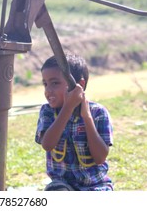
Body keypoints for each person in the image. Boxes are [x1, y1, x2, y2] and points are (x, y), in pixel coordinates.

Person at [35, 53, 113, 191]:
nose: (48, 90)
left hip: (96, 186)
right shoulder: (47, 112)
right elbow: (47, 144)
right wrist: (68, 108)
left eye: (55, 83)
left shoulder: (98, 113)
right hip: (62, 186)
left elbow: (100, 157)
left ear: (79, 85)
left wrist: (87, 117)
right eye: (45, 84)